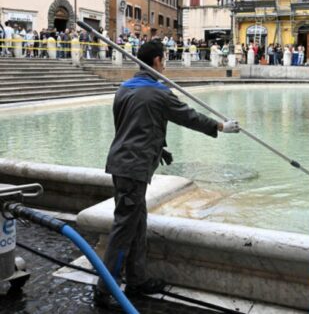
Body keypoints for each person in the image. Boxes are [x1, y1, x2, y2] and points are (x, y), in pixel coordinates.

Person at [94, 40, 240, 307]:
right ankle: (105, 290)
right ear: (158, 61)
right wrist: (221, 126)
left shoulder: (124, 89)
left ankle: (137, 280)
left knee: (137, 224)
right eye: (166, 59)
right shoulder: (159, 92)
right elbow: (189, 116)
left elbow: (133, 128)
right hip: (133, 168)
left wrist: (158, 147)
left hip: (123, 164)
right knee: (124, 229)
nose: (168, 63)